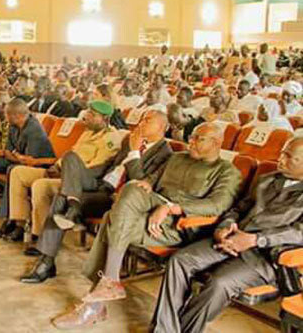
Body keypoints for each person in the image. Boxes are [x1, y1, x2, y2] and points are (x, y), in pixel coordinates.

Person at [51, 122, 241, 329]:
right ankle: (109, 282)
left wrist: (171, 208)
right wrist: (148, 184)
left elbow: (217, 205)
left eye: (198, 139)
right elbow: (150, 179)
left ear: (216, 143)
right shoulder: (177, 158)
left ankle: (96, 305)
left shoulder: (227, 171)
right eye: (191, 137)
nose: (191, 142)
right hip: (151, 211)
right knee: (133, 188)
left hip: (179, 224)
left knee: (110, 219)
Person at [150, 137, 303, 333]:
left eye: (290, 157)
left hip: (265, 255)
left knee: (219, 283)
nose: (280, 159)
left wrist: (256, 239)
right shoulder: (267, 179)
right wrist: (224, 227)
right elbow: (238, 209)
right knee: (180, 260)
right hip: (230, 239)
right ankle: (164, 330)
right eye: (282, 153)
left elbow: (299, 233)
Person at [21, 109, 173, 282]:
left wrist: (134, 152)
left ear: (162, 127)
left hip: (117, 198)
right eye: (141, 119)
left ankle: (46, 262)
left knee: (60, 199)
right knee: (70, 158)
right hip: (102, 182)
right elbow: (112, 166)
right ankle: (73, 206)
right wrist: (83, 173)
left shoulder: (165, 154)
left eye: (147, 121)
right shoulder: (130, 140)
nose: (140, 124)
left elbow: (139, 183)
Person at [0, 100, 121, 245]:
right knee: (17, 172)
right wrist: (56, 166)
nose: (86, 116)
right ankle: (20, 223)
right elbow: (72, 153)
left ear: (105, 119)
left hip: (75, 181)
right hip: (59, 170)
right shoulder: (88, 132)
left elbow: (94, 168)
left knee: (40, 185)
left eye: (92, 114)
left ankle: (40, 234)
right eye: (88, 112)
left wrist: (64, 172)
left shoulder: (111, 139)